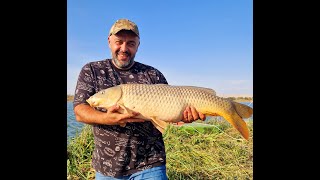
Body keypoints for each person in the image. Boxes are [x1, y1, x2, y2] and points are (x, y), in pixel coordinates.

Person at [73, 18, 206, 180]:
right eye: (119, 42)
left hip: (151, 163)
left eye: (130, 43)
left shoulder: (153, 74)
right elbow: (80, 111)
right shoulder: (92, 70)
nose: (124, 48)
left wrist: (184, 118)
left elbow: (171, 115)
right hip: (107, 167)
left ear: (138, 45)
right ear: (109, 41)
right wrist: (107, 118)